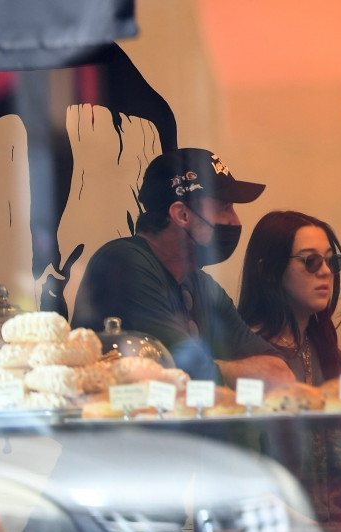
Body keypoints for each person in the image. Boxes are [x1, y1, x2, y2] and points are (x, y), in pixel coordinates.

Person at [71, 148, 294, 387]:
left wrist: (218, 369)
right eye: (225, 207)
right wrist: (236, 371)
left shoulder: (201, 284)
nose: (235, 221)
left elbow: (279, 371)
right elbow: (185, 370)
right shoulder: (124, 262)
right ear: (182, 214)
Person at [238, 210, 341, 516]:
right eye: (311, 261)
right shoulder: (246, 358)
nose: (326, 271)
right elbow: (243, 479)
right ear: (268, 270)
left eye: (332, 261)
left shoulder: (322, 348)